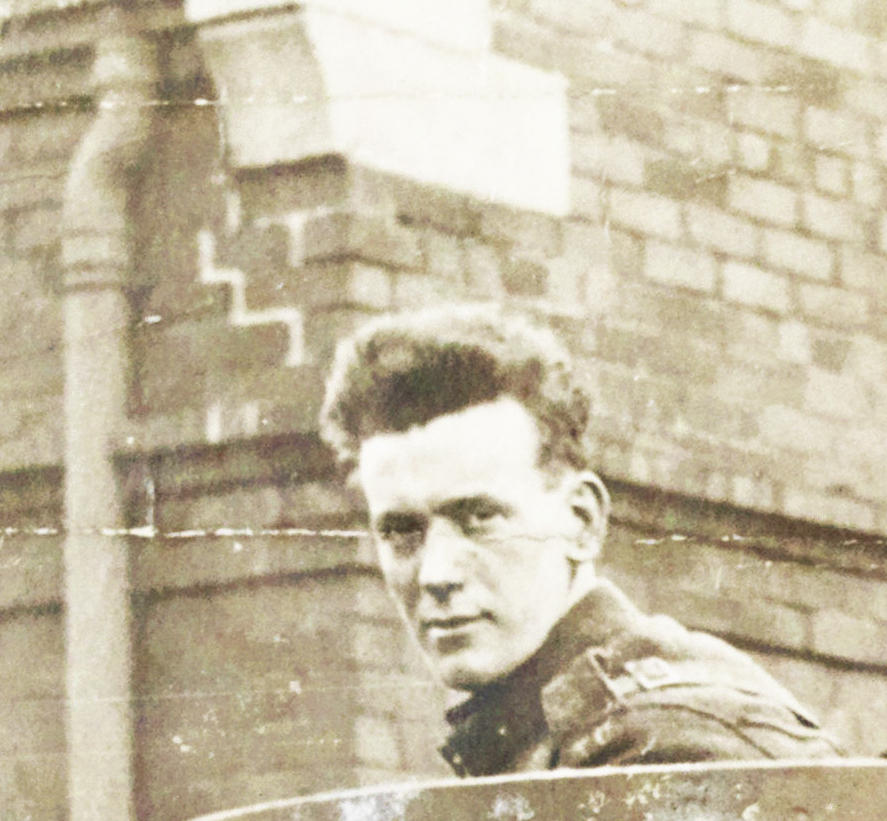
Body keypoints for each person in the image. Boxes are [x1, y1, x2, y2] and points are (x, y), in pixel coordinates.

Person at [317, 305, 843, 775]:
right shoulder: (559, 735)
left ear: (581, 521)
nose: (436, 574)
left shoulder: (655, 746)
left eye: (479, 518)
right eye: (401, 531)